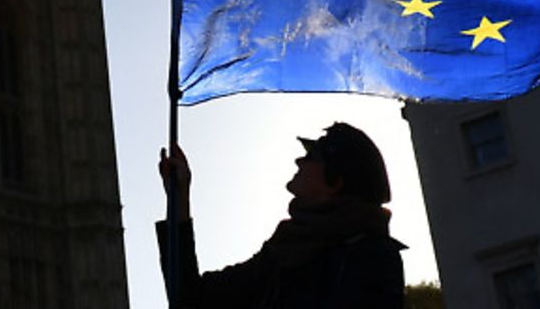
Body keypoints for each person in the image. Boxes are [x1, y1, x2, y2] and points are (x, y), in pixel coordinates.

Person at [156, 122, 405, 309]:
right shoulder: (281, 252)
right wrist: (179, 199)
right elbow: (189, 300)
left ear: (336, 182)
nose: (299, 161)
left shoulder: (372, 258)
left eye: (311, 156)